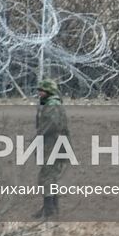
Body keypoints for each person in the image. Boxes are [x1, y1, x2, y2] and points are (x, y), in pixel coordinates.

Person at [33, 79, 69, 219]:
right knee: (51, 177)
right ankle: (51, 208)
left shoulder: (52, 105)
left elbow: (52, 124)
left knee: (47, 176)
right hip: (54, 144)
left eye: (42, 90)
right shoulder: (51, 104)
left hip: (52, 144)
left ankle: (49, 209)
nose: (39, 93)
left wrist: (40, 136)